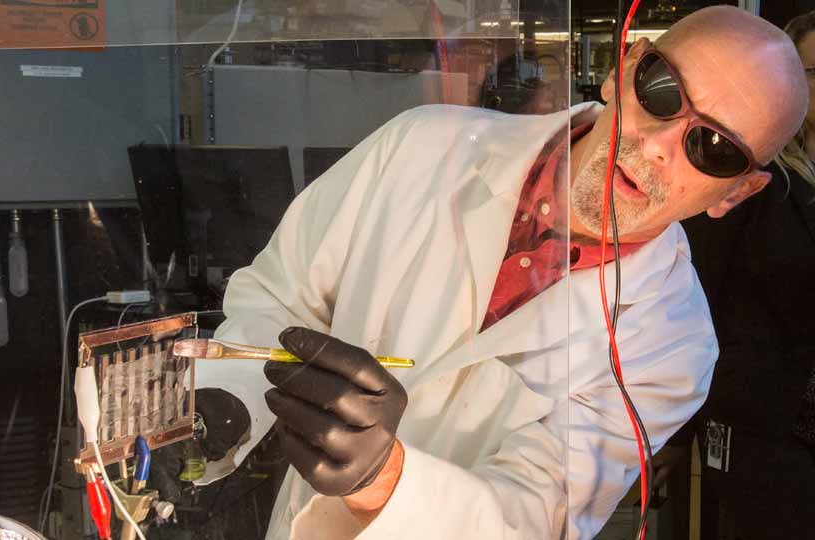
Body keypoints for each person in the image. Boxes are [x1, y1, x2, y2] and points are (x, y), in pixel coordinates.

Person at [193, 6, 808, 540]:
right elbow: (278, 296)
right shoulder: (423, 146)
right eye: (664, 92)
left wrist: (387, 482)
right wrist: (229, 406)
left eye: (714, 148)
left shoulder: (671, 343)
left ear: (736, 193)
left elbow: (540, 512)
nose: (658, 145)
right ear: (626, 68)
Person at [673, 10, 815, 539]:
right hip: (757, 424)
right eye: (811, 74)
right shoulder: (754, 179)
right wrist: (678, 429)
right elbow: (699, 292)